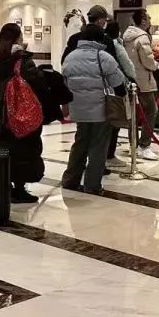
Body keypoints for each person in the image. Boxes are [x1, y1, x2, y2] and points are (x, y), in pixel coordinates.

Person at [61, 24, 127, 195]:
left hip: (78, 109)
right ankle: (92, 185)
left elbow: (65, 81)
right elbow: (119, 85)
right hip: (100, 110)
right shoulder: (103, 57)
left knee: (79, 144)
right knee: (98, 146)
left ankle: (70, 180)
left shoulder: (70, 57)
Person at [0, 23, 49, 204]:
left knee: (5, 146)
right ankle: (19, 188)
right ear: (17, 37)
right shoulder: (21, 59)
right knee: (23, 148)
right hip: (20, 111)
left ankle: (5, 186)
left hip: (2, 110)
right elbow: (36, 82)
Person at [123, 9, 159, 162]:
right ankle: (144, 146)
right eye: (149, 18)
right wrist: (156, 65)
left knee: (132, 114)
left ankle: (133, 144)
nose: (150, 21)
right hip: (143, 81)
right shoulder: (142, 37)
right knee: (151, 111)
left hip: (130, 80)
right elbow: (147, 60)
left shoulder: (126, 36)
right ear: (143, 21)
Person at [104, 20, 136, 170]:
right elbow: (127, 65)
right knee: (116, 121)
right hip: (117, 86)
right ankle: (109, 155)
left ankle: (106, 153)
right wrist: (133, 78)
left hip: (102, 89)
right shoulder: (116, 45)